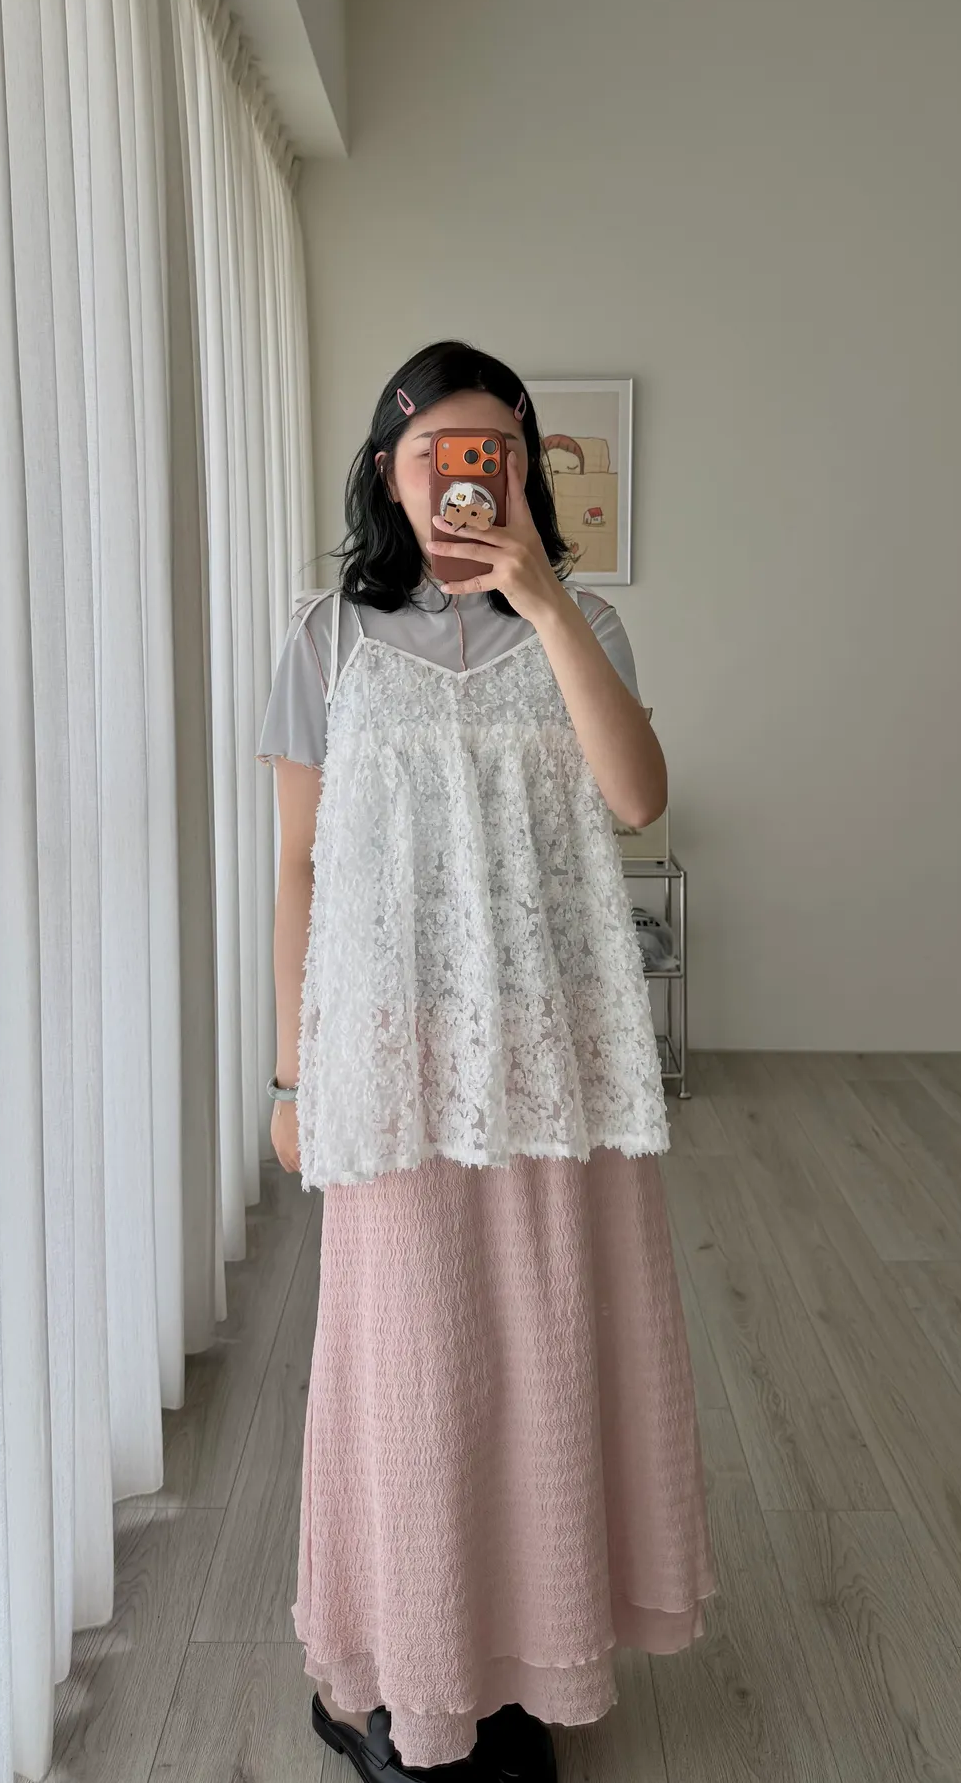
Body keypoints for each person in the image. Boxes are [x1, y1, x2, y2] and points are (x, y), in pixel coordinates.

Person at [258, 341, 717, 1782]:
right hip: (390, 1059)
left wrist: (544, 598)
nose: (468, 478)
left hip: (554, 1056)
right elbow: (296, 870)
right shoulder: (328, 638)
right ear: (388, 474)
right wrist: (287, 1076)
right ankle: (392, 1681)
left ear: (525, 468)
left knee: (549, 1359)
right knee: (410, 1373)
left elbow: (636, 800)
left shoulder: (586, 623)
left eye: (496, 453)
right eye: (438, 455)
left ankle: (520, 1669)